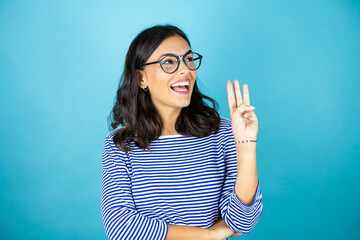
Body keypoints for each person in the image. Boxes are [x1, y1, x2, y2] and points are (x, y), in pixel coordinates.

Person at [101, 24, 263, 240]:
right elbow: (120, 228)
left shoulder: (224, 132)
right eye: (168, 62)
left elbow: (241, 221)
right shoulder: (120, 144)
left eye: (188, 59)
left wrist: (246, 144)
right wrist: (209, 235)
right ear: (141, 78)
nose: (185, 70)